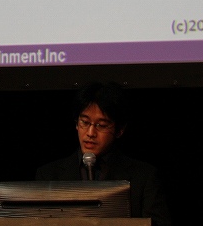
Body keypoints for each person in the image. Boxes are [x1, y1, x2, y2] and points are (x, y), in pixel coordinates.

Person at [35, 82, 172, 225]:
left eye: (101, 125)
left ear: (120, 130)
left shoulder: (144, 177)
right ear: (76, 123)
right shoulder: (48, 175)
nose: (90, 133)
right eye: (85, 122)